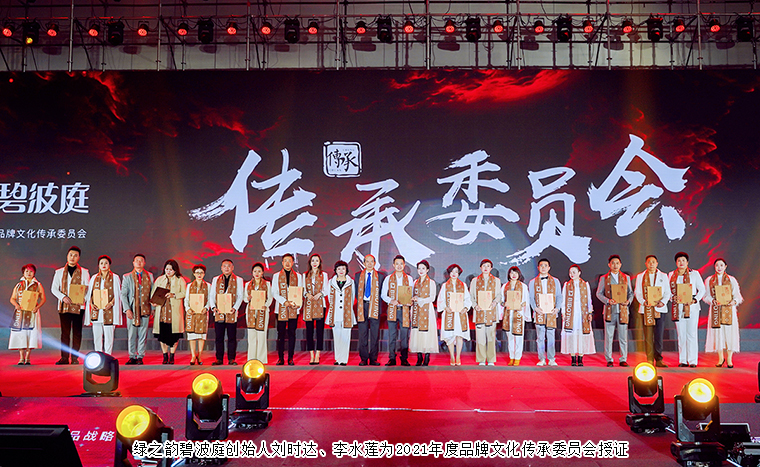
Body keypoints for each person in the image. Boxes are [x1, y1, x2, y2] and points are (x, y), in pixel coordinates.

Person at [51, 246, 90, 365]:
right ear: (67, 256)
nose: (72, 257)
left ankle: (74, 357)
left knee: (77, 332)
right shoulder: (59, 272)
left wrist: (83, 299)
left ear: (79, 257)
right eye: (71, 255)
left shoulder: (84, 272)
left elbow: (88, 289)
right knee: (65, 333)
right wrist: (63, 297)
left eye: (75, 255)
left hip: (79, 307)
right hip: (64, 306)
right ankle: (64, 357)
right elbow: (54, 288)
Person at [703, 258, 743, 368]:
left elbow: (738, 296)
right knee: (718, 332)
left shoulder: (731, 280)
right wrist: (712, 301)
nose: (719, 267)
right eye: (717, 265)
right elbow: (706, 296)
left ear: (725, 267)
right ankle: (720, 358)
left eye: (721, 265)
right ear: (714, 267)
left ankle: (729, 358)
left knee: (730, 332)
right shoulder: (709, 280)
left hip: (729, 310)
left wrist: (734, 302)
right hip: (716, 310)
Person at [596, 255, 634, 367]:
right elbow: (599, 293)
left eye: (617, 263)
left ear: (620, 264)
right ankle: (609, 359)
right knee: (609, 337)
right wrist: (608, 301)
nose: (615, 265)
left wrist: (628, 301)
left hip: (623, 310)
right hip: (610, 310)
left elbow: (631, 293)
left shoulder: (626, 278)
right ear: (609, 265)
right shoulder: (604, 278)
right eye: (613, 263)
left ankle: (623, 359)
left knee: (623, 337)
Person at [668, 252, 705, 367]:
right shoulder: (671, 275)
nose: (681, 263)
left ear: (687, 262)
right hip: (678, 307)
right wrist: (672, 297)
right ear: (676, 262)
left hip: (692, 307)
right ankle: (683, 360)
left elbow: (702, 289)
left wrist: (695, 299)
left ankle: (692, 360)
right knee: (681, 334)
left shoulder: (694, 274)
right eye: (679, 261)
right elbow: (667, 291)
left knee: (692, 333)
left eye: (683, 260)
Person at [634, 255, 672, 367]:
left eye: (653, 262)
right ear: (646, 264)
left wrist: (663, 302)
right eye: (649, 262)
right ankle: (649, 358)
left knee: (659, 335)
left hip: (659, 309)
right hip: (646, 309)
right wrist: (643, 302)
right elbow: (637, 292)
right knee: (648, 336)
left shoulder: (663, 276)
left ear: (657, 263)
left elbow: (667, 292)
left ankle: (659, 359)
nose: (651, 264)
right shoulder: (641, 276)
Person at [84, 255, 122, 355]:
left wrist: (111, 303)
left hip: (109, 310)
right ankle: (99, 356)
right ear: (98, 265)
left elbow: (118, 294)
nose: (103, 265)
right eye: (101, 263)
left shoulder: (115, 277)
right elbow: (89, 294)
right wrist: (91, 303)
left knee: (109, 337)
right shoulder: (94, 278)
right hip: (97, 311)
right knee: (97, 337)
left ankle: (108, 356)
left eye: (106, 263)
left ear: (109, 265)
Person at [209, 259, 245, 366]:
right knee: (219, 337)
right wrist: (213, 307)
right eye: (224, 266)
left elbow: (240, 296)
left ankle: (231, 358)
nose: (226, 268)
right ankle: (219, 358)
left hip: (231, 312)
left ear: (232, 267)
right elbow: (212, 295)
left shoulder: (238, 280)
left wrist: (235, 308)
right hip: (219, 312)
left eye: (229, 266)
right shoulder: (216, 279)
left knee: (231, 337)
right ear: (221, 268)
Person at [381, 255, 415, 366]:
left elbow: (411, 294)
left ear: (404, 265)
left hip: (404, 310)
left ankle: (404, 358)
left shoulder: (409, 279)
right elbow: (383, 295)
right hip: (392, 309)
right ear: (393, 265)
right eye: (397, 264)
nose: (399, 266)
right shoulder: (388, 278)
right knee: (392, 335)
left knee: (404, 335)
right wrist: (391, 301)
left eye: (401, 264)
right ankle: (392, 357)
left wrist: (410, 301)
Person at [9, 264, 46, 365]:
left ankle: (28, 357)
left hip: (32, 312)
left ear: (34, 273)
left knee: (31, 334)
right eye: (26, 271)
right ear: (23, 273)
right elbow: (12, 298)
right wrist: (16, 305)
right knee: (20, 334)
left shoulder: (38, 285)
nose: (29, 273)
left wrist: (37, 307)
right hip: (20, 313)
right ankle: (21, 357)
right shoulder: (19, 285)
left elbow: (43, 298)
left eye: (31, 271)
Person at [528, 258, 562, 367]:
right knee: (540, 337)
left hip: (551, 312)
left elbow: (559, 296)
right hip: (539, 312)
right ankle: (541, 358)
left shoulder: (555, 281)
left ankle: (551, 358)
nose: (543, 267)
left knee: (551, 336)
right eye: (541, 265)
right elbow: (531, 298)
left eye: (545, 265)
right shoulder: (533, 282)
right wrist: (535, 308)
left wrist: (557, 308)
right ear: (538, 267)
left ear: (549, 267)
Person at [271, 253, 304, 366]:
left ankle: (290, 357)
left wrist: (297, 304)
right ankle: (280, 358)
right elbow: (274, 292)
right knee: (280, 334)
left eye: (290, 261)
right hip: (281, 308)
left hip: (293, 309)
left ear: (293, 262)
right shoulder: (276, 276)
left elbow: (300, 291)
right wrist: (284, 302)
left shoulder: (298, 276)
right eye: (285, 261)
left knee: (292, 334)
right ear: (282, 262)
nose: (287, 263)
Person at [121, 254, 153, 365]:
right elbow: (123, 294)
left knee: (143, 334)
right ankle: (132, 356)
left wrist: (152, 308)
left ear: (144, 263)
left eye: (141, 260)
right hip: (132, 309)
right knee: (132, 334)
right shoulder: (127, 277)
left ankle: (140, 356)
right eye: (137, 260)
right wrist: (127, 309)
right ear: (133, 263)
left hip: (145, 308)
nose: (139, 262)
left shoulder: (149, 276)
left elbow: (152, 293)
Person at [437, 264, 472, 366]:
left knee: (459, 335)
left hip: (460, 314)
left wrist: (465, 308)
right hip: (449, 313)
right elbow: (440, 300)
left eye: (456, 272)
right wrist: (445, 307)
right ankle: (452, 356)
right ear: (449, 273)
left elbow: (467, 299)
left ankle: (458, 357)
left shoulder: (463, 285)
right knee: (450, 336)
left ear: (459, 273)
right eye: (452, 271)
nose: (454, 274)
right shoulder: (445, 286)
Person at [153, 259, 186, 364]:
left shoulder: (180, 280)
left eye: (171, 270)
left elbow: (184, 293)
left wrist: (174, 295)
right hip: (162, 311)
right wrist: (154, 302)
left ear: (175, 270)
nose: (168, 271)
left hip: (174, 312)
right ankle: (164, 355)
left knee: (174, 335)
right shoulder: (159, 279)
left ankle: (172, 355)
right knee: (162, 335)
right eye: (167, 269)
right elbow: (154, 293)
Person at [561, 265, 595, 366]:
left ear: (579, 273)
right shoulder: (567, 285)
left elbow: (588, 299)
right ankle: (572, 357)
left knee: (581, 334)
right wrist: (564, 312)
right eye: (570, 272)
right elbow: (563, 300)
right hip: (571, 312)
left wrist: (590, 312)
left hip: (582, 313)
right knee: (571, 334)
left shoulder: (585, 284)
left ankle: (580, 357)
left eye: (574, 272)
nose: (571, 274)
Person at [470, 259, 502, 366]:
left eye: (488, 266)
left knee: (491, 337)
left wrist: (494, 303)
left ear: (491, 268)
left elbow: (499, 295)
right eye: (483, 266)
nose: (485, 268)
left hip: (491, 312)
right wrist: (475, 305)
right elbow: (471, 296)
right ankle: (481, 359)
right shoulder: (475, 281)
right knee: (480, 338)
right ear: (480, 267)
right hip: (479, 312)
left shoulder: (496, 281)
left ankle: (491, 359)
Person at [410, 260, 438, 367]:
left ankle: (426, 356)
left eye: (423, 268)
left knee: (427, 333)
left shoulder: (431, 283)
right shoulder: (415, 282)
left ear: (427, 270)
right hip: (416, 310)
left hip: (427, 310)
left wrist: (420, 300)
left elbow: (432, 297)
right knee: (417, 332)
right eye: (419, 268)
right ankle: (419, 356)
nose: (421, 271)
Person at [327, 260, 355, 366]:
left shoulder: (351, 282)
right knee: (337, 337)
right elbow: (329, 298)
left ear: (346, 270)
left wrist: (347, 308)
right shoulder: (331, 282)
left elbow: (352, 297)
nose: (341, 271)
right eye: (339, 269)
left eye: (343, 268)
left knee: (346, 337)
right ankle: (337, 358)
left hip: (347, 313)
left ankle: (344, 359)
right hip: (335, 314)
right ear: (335, 270)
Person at [243, 262, 273, 364]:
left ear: (262, 273)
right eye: (255, 271)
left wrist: (266, 305)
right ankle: (251, 359)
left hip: (262, 311)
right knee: (251, 336)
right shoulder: (247, 285)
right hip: (251, 311)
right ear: (252, 272)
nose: (257, 273)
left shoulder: (267, 284)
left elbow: (270, 298)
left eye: (259, 271)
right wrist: (248, 298)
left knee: (261, 335)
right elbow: (244, 299)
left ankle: (261, 359)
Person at [356, 254, 382, 366]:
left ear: (375, 263)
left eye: (372, 261)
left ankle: (373, 358)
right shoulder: (358, 276)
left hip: (375, 307)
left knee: (375, 334)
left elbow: (381, 293)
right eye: (367, 261)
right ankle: (363, 358)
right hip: (362, 307)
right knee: (363, 334)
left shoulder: (380, 276)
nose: (370, 264)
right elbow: (356, 292)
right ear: (364, 263)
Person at [303, 254, 329, 365]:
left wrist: (320, 294)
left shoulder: (324, 275)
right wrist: (307, 294)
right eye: (312, 260)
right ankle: (311, 355)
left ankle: (318, 354)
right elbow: (302, 289)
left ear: (319, 262)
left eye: (316, 261)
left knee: (319, 330)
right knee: (309, 331)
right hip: (309, 304)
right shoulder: (305, 275)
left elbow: (326, 289)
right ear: (310, 262)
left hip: (320, 304)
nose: (314, 263)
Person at [501, 266, 529, 366]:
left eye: (515, 273)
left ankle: (517, 357)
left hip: (519, 314)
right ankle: (511, 357)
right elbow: (501, 300)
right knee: (510, 338)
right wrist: (504, 304)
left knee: (518, 337)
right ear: (509, 274)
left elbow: (526, 301)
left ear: (519, 275)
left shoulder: (523, 286)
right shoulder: (505, 286)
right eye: (512, 273)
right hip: (508, 314)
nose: (513, 275)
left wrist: (522, 305)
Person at [185, 264, 211, 365]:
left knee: (201, 336)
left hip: (202, 313)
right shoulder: (189, 286)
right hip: (191, 313)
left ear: (204, 274)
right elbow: (186, 299)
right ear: (194, 274)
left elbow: (210, 299)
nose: (199, 274)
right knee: (192, 335)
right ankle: (192, 355)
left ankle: (199, 355)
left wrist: (206, 307)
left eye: (201, 273)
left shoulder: (208, 286)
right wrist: (188, 309)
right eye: (197, 272)